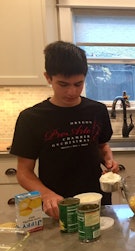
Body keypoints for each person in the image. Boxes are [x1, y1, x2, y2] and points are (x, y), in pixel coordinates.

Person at [10, 41, 119, 220]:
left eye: (78, 84)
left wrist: (109, 161)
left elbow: (102, 146)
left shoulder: (97, 110)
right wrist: (46, 195)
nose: (71, 91)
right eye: (63, 84)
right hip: (57, 205)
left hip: (98, 201)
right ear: (48, 77)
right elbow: (24, 172)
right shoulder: (31, 118)